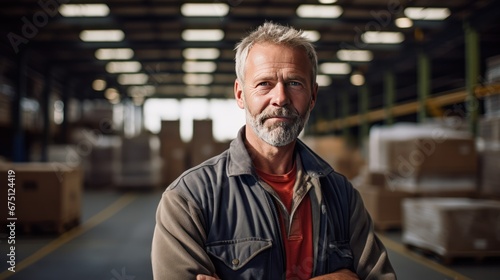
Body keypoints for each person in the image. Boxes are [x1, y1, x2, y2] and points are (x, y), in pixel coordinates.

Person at [151, 22, 396, 280]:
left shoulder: (342, 196)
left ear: (312, 96)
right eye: (265, 83)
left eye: (294, 83)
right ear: (240, 94)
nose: (280, 98)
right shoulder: (189, 199)